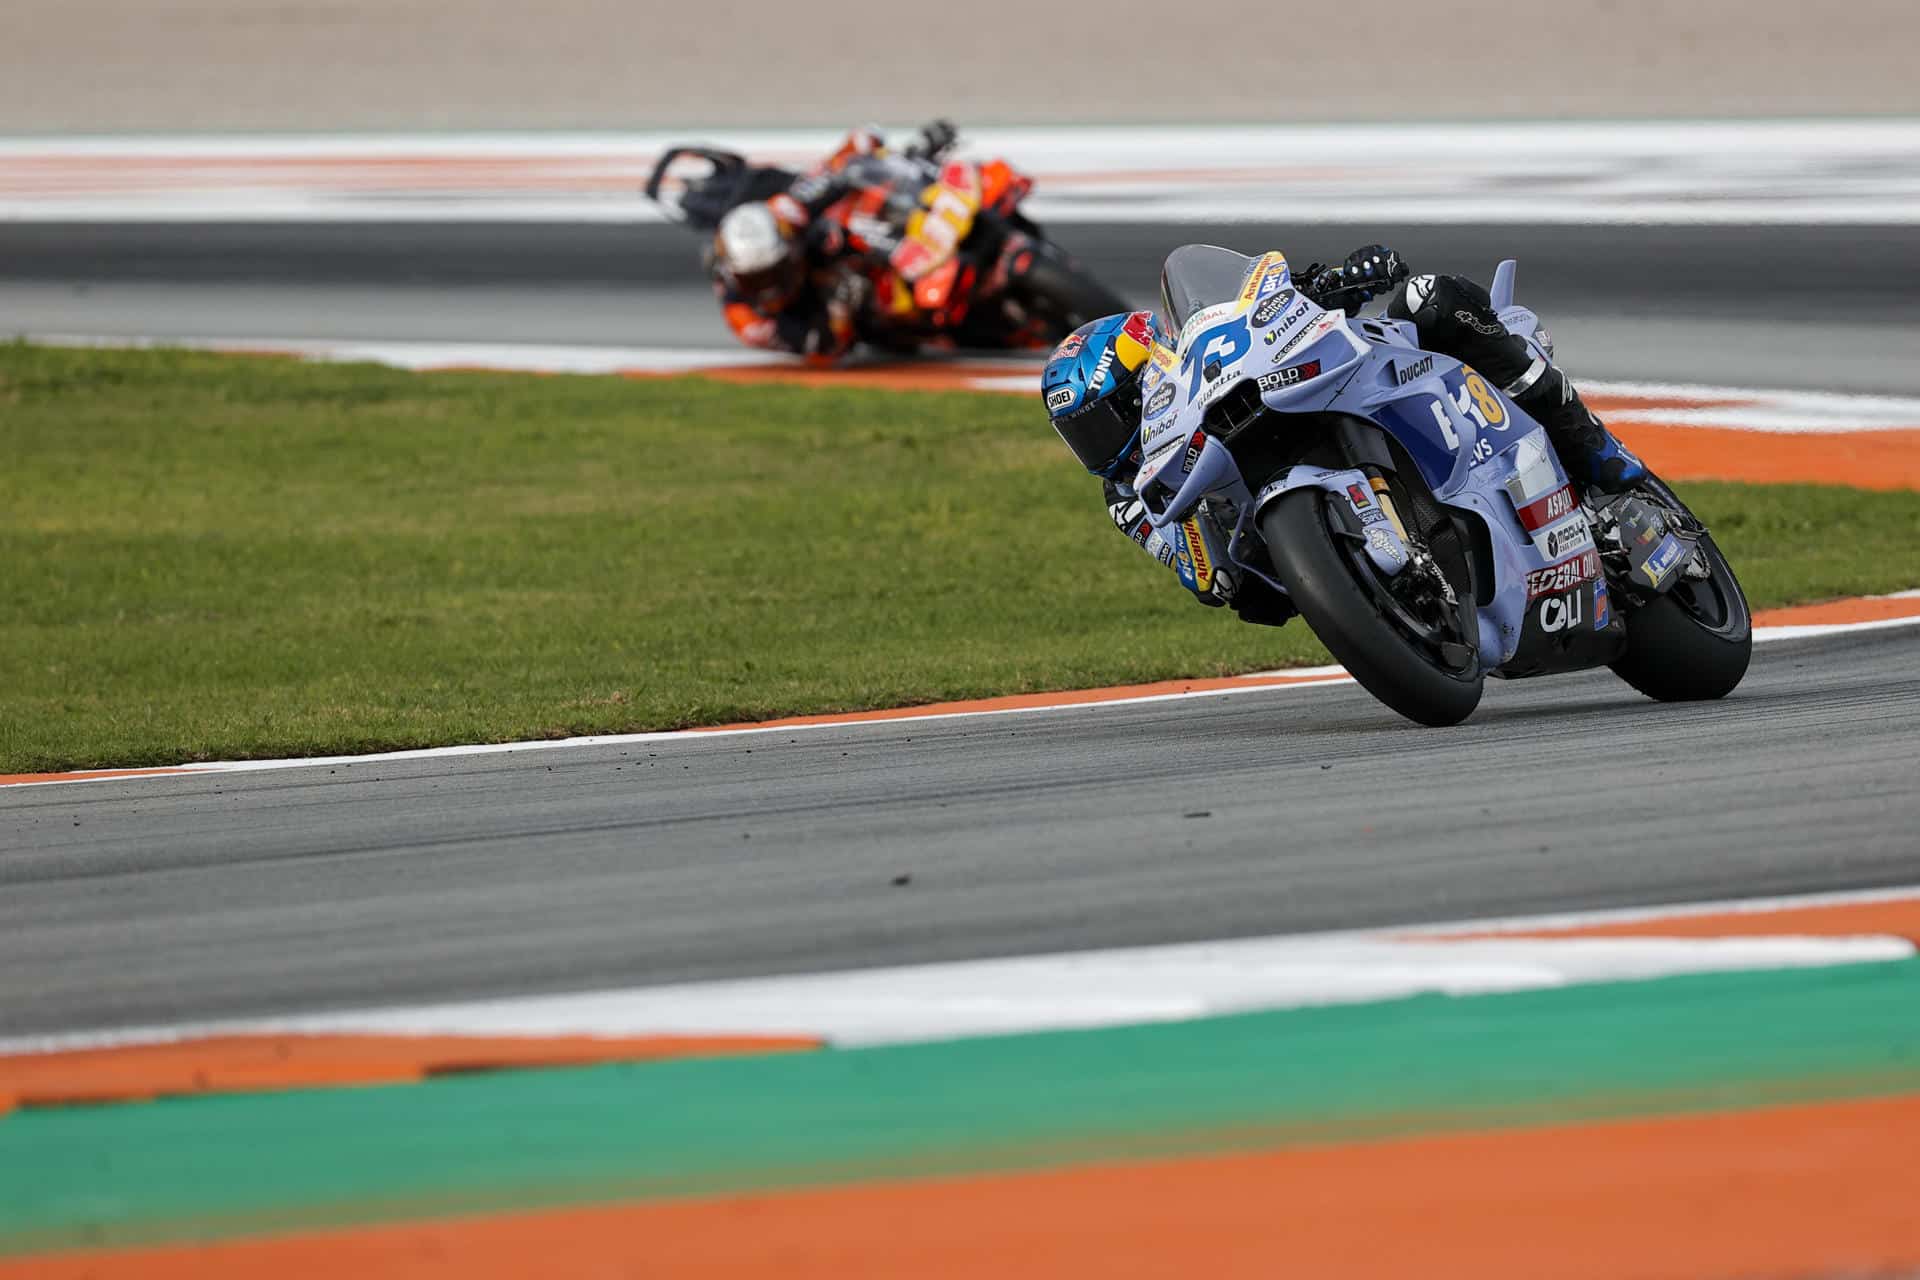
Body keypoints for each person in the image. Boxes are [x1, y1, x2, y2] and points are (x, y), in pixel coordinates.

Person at [1040, 244, 1647, 622]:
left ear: (1153, 373)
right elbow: (1206, 576)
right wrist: (1201, 539)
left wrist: (1341, 278)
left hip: (1331, 388)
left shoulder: (1205, 359)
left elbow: (1273, 306)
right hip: (1273, 544)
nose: (1103, 443)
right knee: (1247, 590)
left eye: (1109, 416)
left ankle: (1589, 444)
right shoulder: (1130, 494)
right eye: (1082, 433)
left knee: (1427, 300)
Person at [708, 123, 959, 362]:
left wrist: (876, 151)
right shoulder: (748, 321)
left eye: (772, 273)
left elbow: (833, 168)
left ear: (790, 247)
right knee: (892, 326)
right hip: (829, 310)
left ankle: (927, 179)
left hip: (841, 253)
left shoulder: (785, 214)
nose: (768, 287)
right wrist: (840, 311)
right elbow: (821, 347)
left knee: (860, 201)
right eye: (755, 280)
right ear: (731, 274)